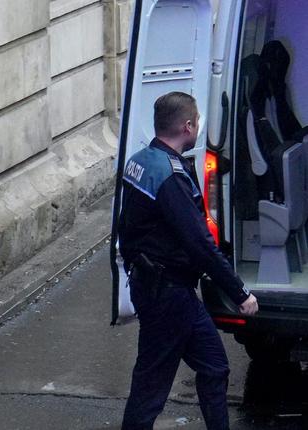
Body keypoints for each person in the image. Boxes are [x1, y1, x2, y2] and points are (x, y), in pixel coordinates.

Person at [118, 92, 259, 429]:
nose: (198, 127)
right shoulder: (170, 176)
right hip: (166, 293)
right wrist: (239, 293)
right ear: (187, 126)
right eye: (196, 122)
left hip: (166, 288)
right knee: (151, 383)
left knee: (214, 367)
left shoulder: (141, 160)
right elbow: (199, 244)